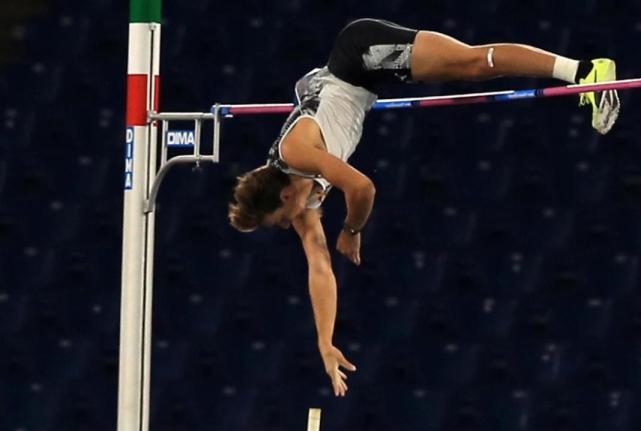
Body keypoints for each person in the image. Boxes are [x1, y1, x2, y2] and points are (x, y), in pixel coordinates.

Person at [227, 18, 618, 397]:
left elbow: (362, 188)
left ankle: (585, 71)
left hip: (356, 56)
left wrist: (351, 230)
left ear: (282, 197)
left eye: (278, 221)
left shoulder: (296, 153)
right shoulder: (302, 200)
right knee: (471, 67)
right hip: (356, 82)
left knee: (474, 64)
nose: (285, 226)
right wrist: (325, 343)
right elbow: (318, 265)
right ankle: (582, 72)